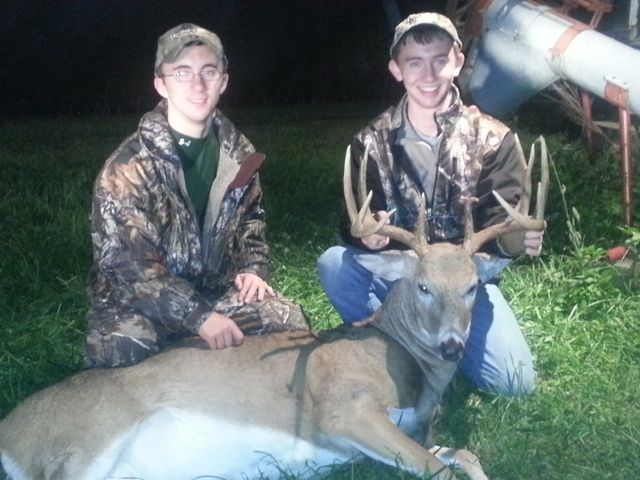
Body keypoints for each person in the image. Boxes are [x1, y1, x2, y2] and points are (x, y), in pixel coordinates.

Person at [317, 12, 544, 396]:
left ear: (458, 62)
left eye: (440, 60)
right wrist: (364, 236)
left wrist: (516, 240)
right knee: (335, 265)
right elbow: (352, 217)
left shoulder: (494, 138)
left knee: (514, 383)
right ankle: (393, 344)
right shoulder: (370, 142)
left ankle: (441, 338)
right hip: (406, 274)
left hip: (463, 282)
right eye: (414, 63)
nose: (428, 74)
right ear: (396, 69)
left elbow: (501, 223)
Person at [85, 23, 308, 368]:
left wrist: (253, 269)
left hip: (214, 292)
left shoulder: (240, 155)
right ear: (161, 84)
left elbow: (252, 223)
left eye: (209, 71)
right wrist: (200, 318)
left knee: (288, 323)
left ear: (224, 80)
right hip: (139, 302)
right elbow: (127, 270)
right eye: (182, 73)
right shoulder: (128, 167)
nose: (198, 85)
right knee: (122, 351)